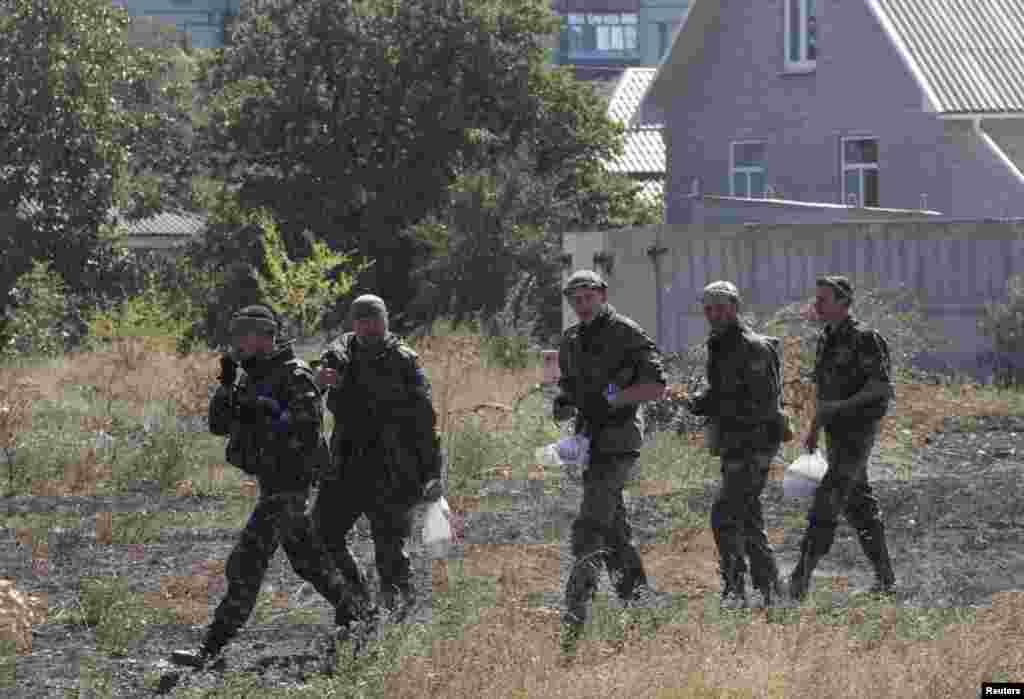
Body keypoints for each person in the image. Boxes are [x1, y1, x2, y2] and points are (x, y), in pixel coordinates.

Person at [170, 304, 374, 669]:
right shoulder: (249, 376)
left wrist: (265, 414)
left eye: (243, 336)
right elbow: (218, 425)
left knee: (245, 563)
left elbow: (306, 432)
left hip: (289, 486)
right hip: (272, 486)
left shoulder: (293, 375)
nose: (237, 343)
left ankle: (211, 648)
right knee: (308, 562)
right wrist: (227, 385)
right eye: (236, 336)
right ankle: (360, 613)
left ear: (265, 336)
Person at [553, 270, 667, 656]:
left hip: (618, 441)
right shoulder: (570, 340)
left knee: (589, 529)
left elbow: (655, 386)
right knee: (616, 535)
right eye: (575, 300)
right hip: (588, 441)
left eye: (587, 297)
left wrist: (613, 400)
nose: (582, 306)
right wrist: (565, 403)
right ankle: (641, 611)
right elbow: (569, 388)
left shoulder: (626, 332)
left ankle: (573, 623)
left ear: (602, 295)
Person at [314, 294, 444, 622]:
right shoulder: (339, 355)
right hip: (345, 465)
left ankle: (399, 622)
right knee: (320, 536)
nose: (369, 327)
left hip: (392, 468)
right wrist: (320, 381)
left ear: (386, 321)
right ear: (353, 323)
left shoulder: (403, 361)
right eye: (361, 320)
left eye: (375, 319)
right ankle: (357, 603)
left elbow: (425, 421)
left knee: (390, 553)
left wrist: (432, 472)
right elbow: (310, 390)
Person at [789, 276, 897, 600]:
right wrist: (814, 428)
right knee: (859, 506)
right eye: (816, 299)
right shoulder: (827, 339)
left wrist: (840, 407)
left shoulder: (865, 338)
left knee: (828, 498)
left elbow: (882, 387)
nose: (817, 306)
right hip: (836, 435)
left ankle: (799, 580)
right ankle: (886, 580)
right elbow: (824, 396)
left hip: (858, 434)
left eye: (823, 300)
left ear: (843, 302)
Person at [685, 281, 788, 609]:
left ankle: (739, 588)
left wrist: (710, 403)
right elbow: (722, 392)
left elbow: (761, 404)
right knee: (746, 516)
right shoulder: (720, 345)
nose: (713, 314)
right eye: (708, 309)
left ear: (734, 307)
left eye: (719, 308)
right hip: (735, 443)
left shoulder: (751, 347)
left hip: (753, 443)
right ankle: (768, 591)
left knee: (726, 514)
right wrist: (698, 401)